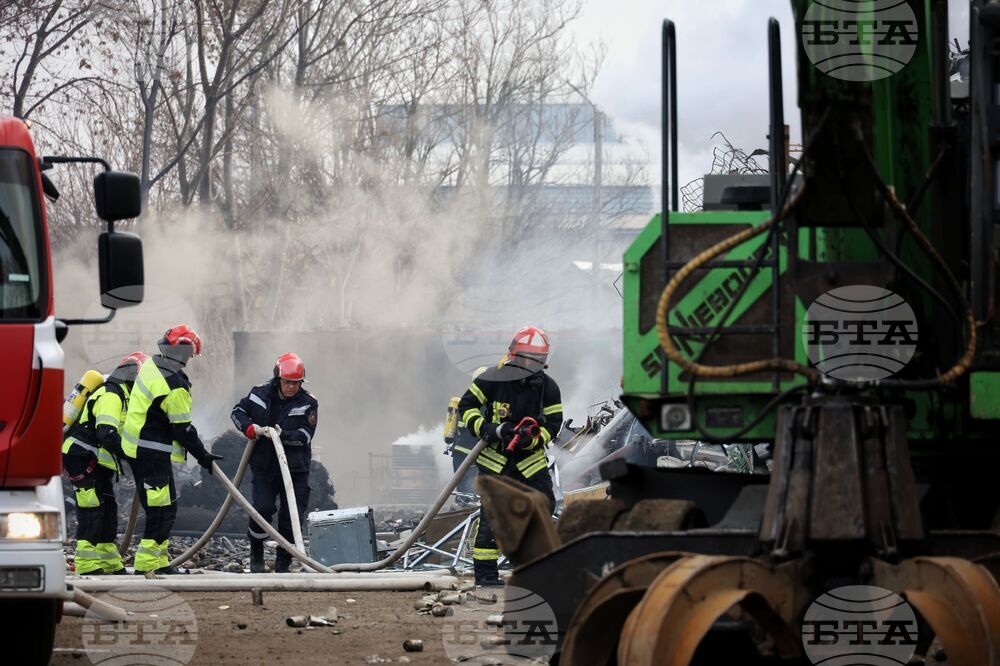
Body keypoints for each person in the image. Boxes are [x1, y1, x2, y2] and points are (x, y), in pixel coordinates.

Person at [457, 326, 563, 586]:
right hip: (496, 461)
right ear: (515, 354)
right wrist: (491, 429)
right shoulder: (491, 378)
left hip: (530, 461)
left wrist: (535, 439)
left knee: (544, 507)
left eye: (539, 360)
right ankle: (486, 576)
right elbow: (466, 407)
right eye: (529, 358)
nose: (533, 365)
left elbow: (554, 423)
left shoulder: (548, 387)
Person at [122, 325, 221, 574]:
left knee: (161, 506)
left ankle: (159, 561)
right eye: (189, 355)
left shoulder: (152, 367)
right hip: (151, 452)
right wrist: (203, 456)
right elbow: (183, 429)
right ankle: (149, 563)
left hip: (140, 449)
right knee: (162, 508)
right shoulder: (173, 383)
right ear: (181, 352)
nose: (189, 360)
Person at [231, 352, 319, 573]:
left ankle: (283, 562)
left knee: (291, 518)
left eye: (296, 383)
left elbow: (306, 435)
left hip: (295, 470)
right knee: (262, 509)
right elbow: (237, 412)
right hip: (264, 467)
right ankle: (257, 553)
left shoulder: (308, 403)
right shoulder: (258, 394)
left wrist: (283, 435)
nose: (291, 387)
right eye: (288, 382)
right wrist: (250, 428)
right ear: (278, 379)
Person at [62, 352, 148, 575]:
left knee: (109, 508)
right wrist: (133, 456)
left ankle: (108, 560)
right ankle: (87, 562)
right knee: (92, 508)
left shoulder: (124, 395)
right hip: (81, 457)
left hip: (97, 460)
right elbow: (107, 434)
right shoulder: (111, 395)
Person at [446, 366, 489, 496]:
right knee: (475, 491)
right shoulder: (489, 406)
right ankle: (474, 513)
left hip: (459, 454)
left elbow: (448, 438)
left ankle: (462, 513)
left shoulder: (463, 403)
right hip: (478, 455)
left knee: (463, 491)